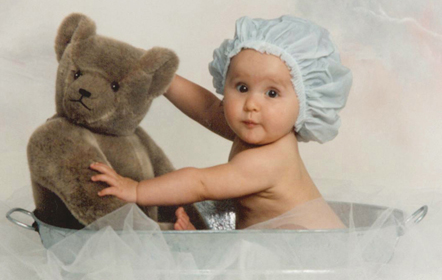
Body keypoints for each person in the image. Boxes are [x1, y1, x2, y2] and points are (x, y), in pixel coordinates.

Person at [90, 16, 352, 231]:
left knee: (277, 241)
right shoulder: (262, 130)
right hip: (267, 245)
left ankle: (211, 249)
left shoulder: (269, 160)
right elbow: (206, 108)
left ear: (303, 103)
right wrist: (161, 79)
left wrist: (137, 190)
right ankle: (210, 246)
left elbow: (200, 184)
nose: (251, 104)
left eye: (272, 93)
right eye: (242, 87)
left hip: (310, 252)